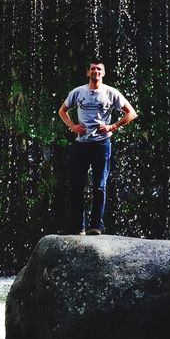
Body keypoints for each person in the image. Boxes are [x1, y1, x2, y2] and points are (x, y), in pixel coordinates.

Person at [58, 61, 137, 234]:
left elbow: (131, 112)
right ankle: (78, 226)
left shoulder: (111, 92)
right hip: (81, 144)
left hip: (101, 144)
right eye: (93, 69)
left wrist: (112, 126)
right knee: (77, 185)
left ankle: (96, 226)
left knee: (99, 186)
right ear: (88, 72)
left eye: (99, 69)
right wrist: (72, 126)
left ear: (103, 73)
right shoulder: (78, 92)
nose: (96, 71)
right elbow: (62, 111)